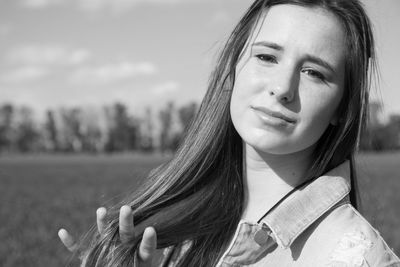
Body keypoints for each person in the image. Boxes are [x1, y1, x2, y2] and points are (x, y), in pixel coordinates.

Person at [59, 0, 400, 266]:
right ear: (234, 68)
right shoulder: (172, 234)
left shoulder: (356, 258)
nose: (282, 88)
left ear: (343, 107)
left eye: (314, 72)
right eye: (267, 57)